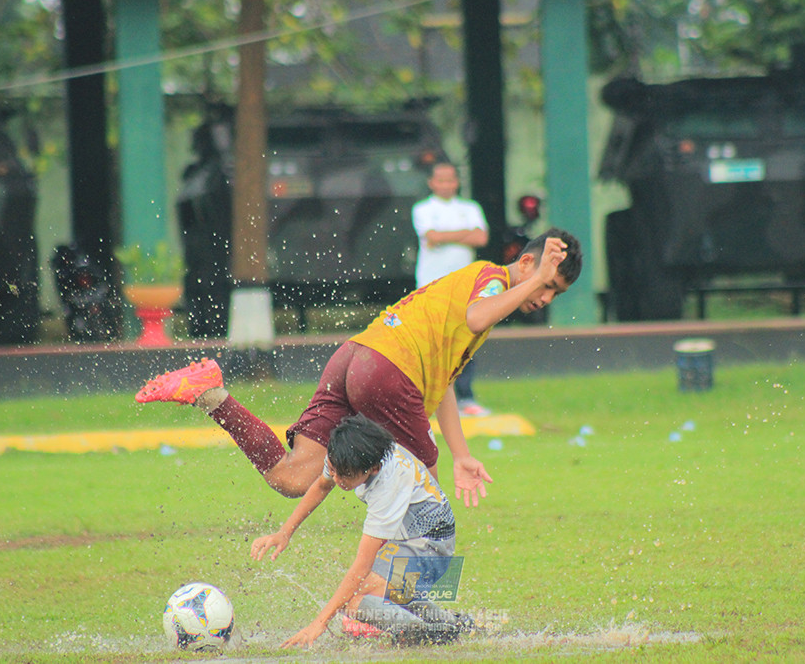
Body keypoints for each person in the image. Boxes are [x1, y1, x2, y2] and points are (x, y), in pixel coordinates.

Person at [135, 228, 582, 507]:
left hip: (355, 357)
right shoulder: (492, 279)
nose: (545, 297)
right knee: (421, 490)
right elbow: (478, 316)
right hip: (388, 371)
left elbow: (441, 383)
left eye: (555, 292)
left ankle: (211, 394)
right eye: (548, 284)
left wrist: (462, 454)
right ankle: (385, 603)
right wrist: (537, 280)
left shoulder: (483, 290)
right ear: (526, 262)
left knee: (292, 478)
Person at [251, 413, 471, 648]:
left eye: (343, 475)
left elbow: (362, 564)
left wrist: (319, 623)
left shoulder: (388, 485)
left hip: (431, 547)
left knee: (356, 600)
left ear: (374, 468)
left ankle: (423, 633)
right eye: (333, 469)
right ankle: (448, 624)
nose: (335, 477)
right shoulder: (345, 451)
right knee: (377, 591)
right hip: (411, 540)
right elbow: (322, 484)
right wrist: (284, 532)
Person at [412, 162, 490, 417]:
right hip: (431, 285)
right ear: (432, 182)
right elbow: (431, 237)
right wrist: (463, 233)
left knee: (465, 339)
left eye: (450, 180)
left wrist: (445, 235)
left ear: (457, 182)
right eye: (440, 180)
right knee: (432, 342)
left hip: (464, 287)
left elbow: (481, 238)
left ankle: (466, 397)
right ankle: (427, 398)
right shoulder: (423, 209)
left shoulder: (470, 208)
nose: (446, 185)